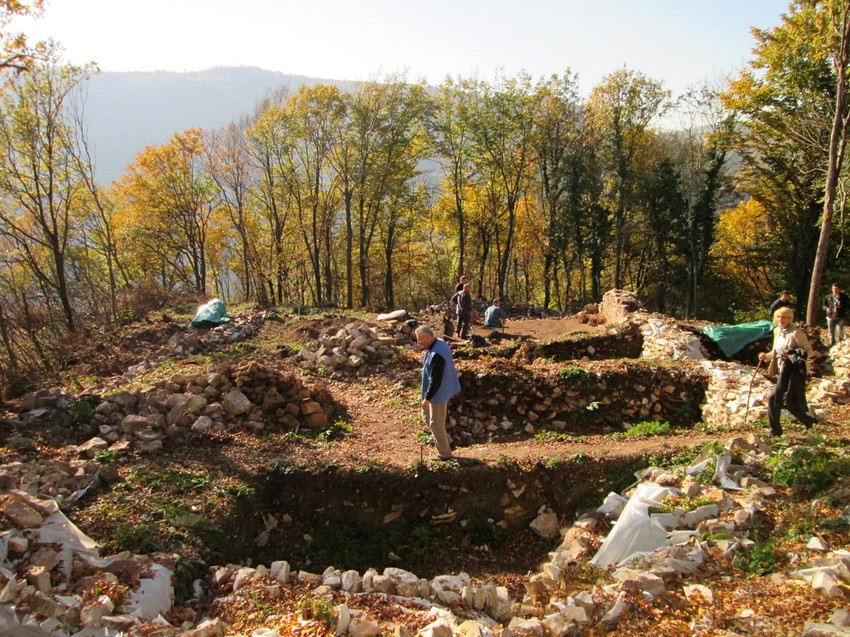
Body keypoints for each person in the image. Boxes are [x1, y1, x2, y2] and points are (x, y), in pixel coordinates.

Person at [758, 306, 817, 436]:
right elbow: (776, 351)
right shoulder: (777, 331)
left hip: (795, 372)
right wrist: (765, 357)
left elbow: (809, 351)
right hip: (783, 371)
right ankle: (811, 423)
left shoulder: (796, 333)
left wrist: (792, 353)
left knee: (774, 398)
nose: (781, 319)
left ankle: (775, 431)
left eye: (784, 317)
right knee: (789, 403)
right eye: (778, 317)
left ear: (790, 319)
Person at [415, 325, 461, 460]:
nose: (419, 343)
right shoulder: (439, 343)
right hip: (438, 390)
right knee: (426, 416)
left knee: (436, 423)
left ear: (427, 337)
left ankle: (445, 454)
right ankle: (447, 441)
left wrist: (427, 398)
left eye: (420, 340)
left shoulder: (437, 354)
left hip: (439, 393)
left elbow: (436, 380)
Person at [823, 282, 850, 346]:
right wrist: (826, 308)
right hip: (830, 317)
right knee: (831, 332)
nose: (834, 290)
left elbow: (848, 306)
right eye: (833, 289)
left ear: (839, 289)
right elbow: (824, 305)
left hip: (840, 317)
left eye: (836, 289)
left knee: (840, 331)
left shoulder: (844, 297)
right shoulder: (828, 297)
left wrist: (841, 307)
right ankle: (831, 344)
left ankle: (841, 345)